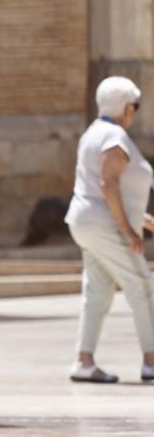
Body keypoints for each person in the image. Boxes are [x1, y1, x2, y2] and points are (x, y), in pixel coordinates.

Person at [64, 76, 154, 384]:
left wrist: (142, 220)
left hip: (87, 221)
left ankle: (84, 361)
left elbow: (104, 190)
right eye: (135, 106)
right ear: (125, 107)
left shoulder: (94, 132)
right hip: (104, 224)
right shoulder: (114, 136)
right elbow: (108, 184)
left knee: (98, 291)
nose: (135, 112)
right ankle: (151, 360)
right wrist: (129, 231)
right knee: (141, 285)